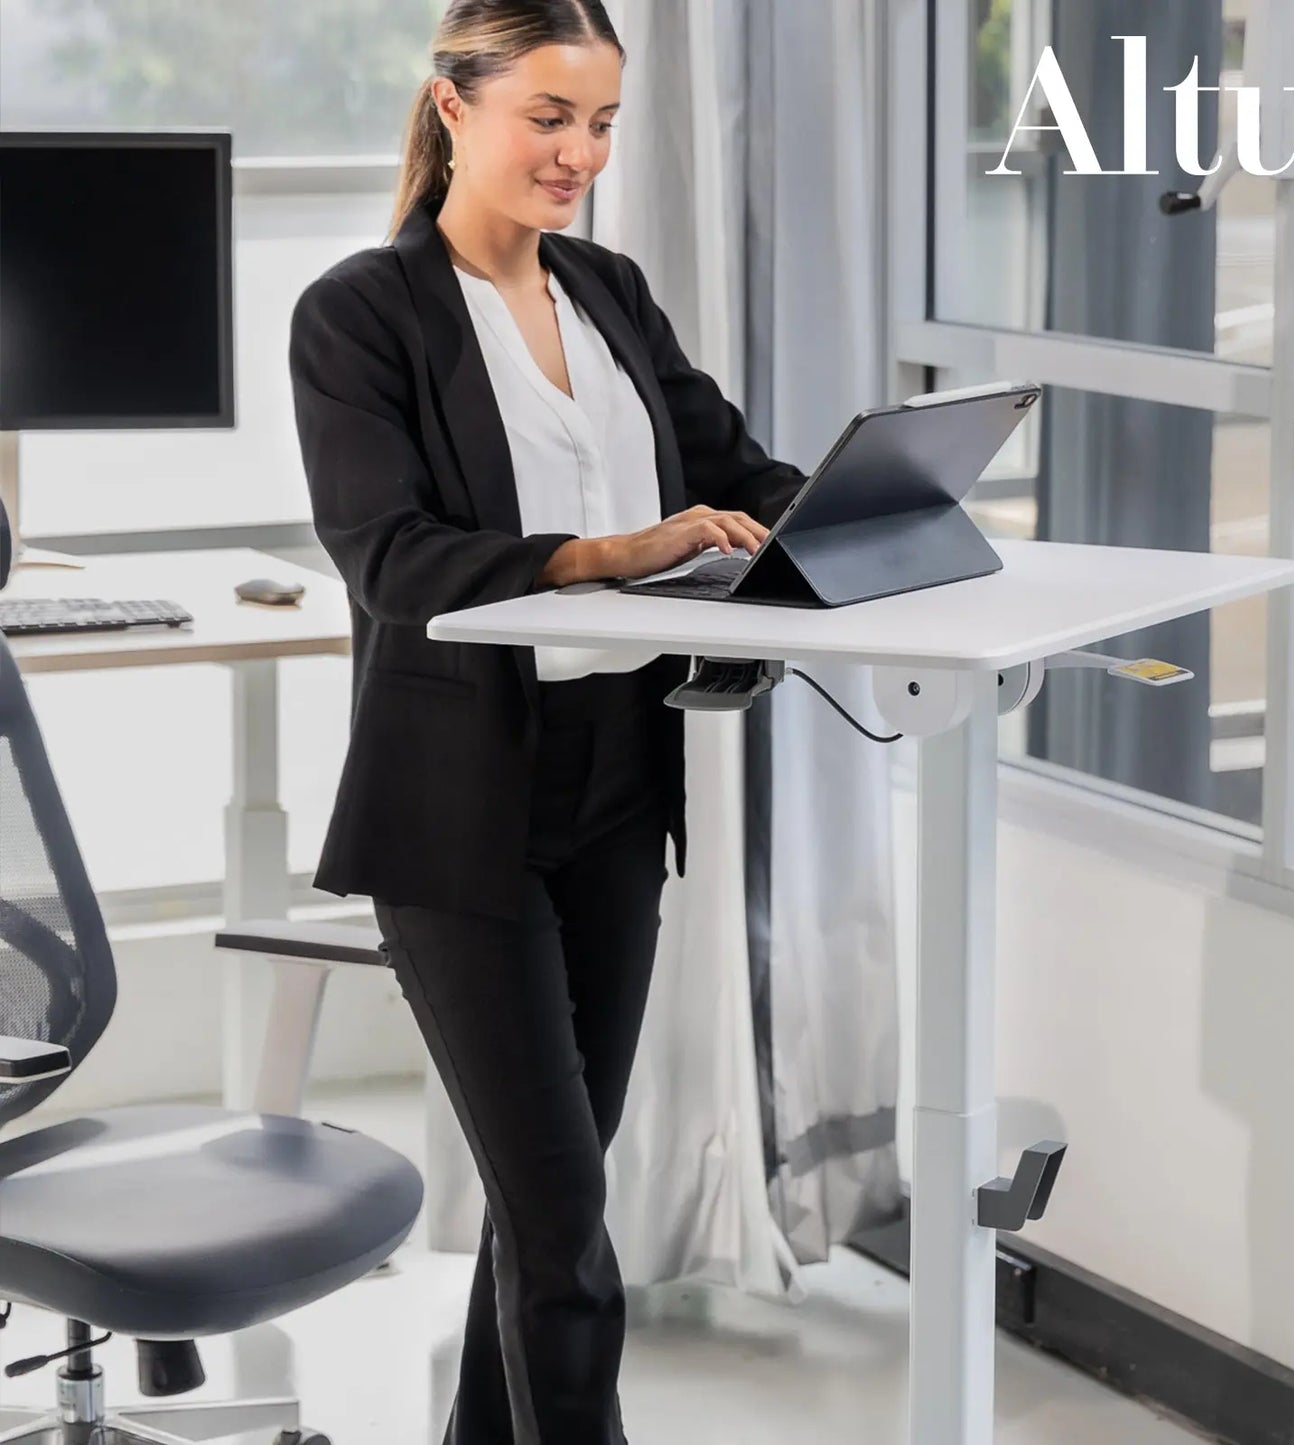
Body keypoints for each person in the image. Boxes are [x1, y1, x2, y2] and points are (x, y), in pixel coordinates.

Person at [287, 2, 807, 1440]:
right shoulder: (361, 313)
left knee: (547, 1200)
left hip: (620, 781)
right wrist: (606, 554)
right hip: (460, 799)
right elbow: (388, 555)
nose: (579, 153)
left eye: (601, 124)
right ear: (454, 106)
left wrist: (859, 512)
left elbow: (736, 466)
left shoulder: (608, 289)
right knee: (565, 1220)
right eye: (549, 117)